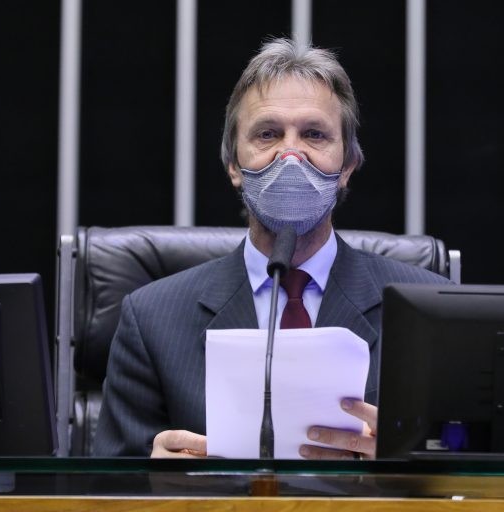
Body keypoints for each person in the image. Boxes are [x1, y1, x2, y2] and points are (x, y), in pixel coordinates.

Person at [94, 37, 450, 459]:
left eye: (314, 134)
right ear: (233, 165)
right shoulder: (151, 318)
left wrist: (403, 468)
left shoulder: (430, 310)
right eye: (268, 134)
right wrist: (151, 478)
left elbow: (470, 469)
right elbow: (107, 482)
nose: (291, 155)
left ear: (347, 167)